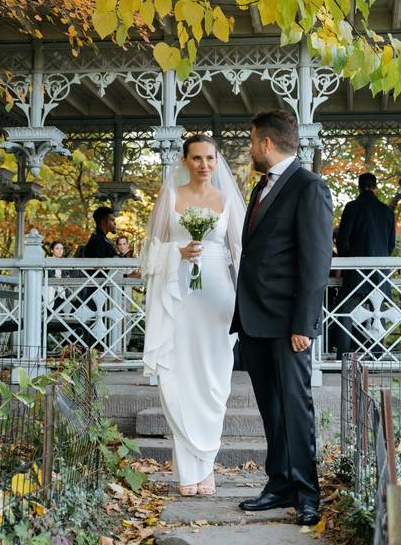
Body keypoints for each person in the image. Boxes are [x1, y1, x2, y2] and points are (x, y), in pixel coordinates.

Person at [231, 109, 333, 527]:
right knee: (271, 407)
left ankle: (308, 493)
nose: (251, 149)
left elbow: (315, 261)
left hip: (288, 323)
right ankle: (279, 484)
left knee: (295, 405)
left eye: (253, 141)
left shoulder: (309, 187)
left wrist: (302, 325)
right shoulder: (260, 188)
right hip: (254, 319)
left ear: (267, 143)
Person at [139, 134, 245, 498]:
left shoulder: (228, 199)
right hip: (178, 293)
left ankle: (207, 464)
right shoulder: (170, 196)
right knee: (179, 379)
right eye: (197, 158)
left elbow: (240, 253)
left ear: (218, 161)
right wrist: (176, 253)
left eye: (210, 158)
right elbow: (149, 253)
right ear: (185, 161)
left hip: (216, 296)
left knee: (214, 381)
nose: (204, 165)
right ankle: (187, 469)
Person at [334, 173, 397, 358]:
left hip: (356, 273)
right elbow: (391, 244)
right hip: (380, 273)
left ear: (359, 187)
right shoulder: (387, 211)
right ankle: (377, 355)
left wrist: (347, 260)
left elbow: (342, 239)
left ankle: (344, 357)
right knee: (378, 312)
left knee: (344, 311)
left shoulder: (352, 207)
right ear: (375, 187)